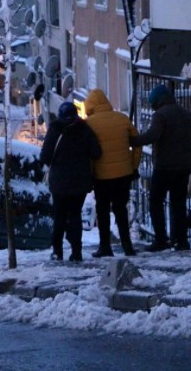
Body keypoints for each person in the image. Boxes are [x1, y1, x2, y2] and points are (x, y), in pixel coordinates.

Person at [130, 84, 191, 252]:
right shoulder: (186, 114)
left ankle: (161, 239)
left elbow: (153, 135)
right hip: (183, 167)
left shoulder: (160, 116)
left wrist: (133, 140)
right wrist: (189, 160)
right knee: (178, 204)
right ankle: (181, 240)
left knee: (155, 202)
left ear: (157, 102)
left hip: (164, 167)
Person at [40, 102, 101, 262]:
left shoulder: (55, 130)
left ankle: (57, 251)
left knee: (59, 216)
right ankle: (76, 251)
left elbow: (45, 156)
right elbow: (96, 152)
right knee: (75, 215)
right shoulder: (85, 130)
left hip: (59, 182)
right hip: (79, 182)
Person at [85, 89, 142, 257]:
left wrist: (90, 173)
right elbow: (137, 143)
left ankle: (105, 247)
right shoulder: (122, 119)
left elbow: (88, 153)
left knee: (102, 211)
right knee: (121, 209)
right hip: (123, 174)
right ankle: (127, 245)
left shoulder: (89, 124)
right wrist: (133, 165)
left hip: (101, 176)